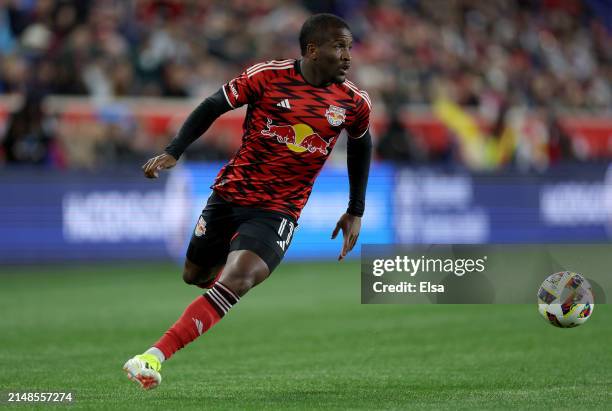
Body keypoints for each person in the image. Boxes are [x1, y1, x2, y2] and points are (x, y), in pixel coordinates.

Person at [123, 13, 372, 390]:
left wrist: (355, 210)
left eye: (349, 48)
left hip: (279, 210)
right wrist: (175, 150)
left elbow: (360, 145)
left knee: (238, 279)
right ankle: (229, 261)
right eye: (339, 47)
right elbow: (212, 105)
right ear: (312, 50)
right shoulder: (267, 76)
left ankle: (152, 357)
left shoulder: (353, 102)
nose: (348, 57)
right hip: (230, 194)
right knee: (196, 276)